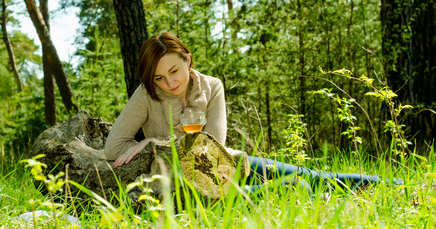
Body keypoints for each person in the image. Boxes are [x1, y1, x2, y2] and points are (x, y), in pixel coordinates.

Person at [105, 32, 402, 195]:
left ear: (188, 60)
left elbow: (215, 141)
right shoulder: (146, 95)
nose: (169, 83)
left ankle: (391, 185)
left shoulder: (212, 86)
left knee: (309, 175)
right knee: (292, 187)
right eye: (159, 78)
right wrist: (146, 145)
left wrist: (154, 143)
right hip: (193, 182)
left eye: (174, 71)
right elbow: (112, 148)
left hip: (229, 162)